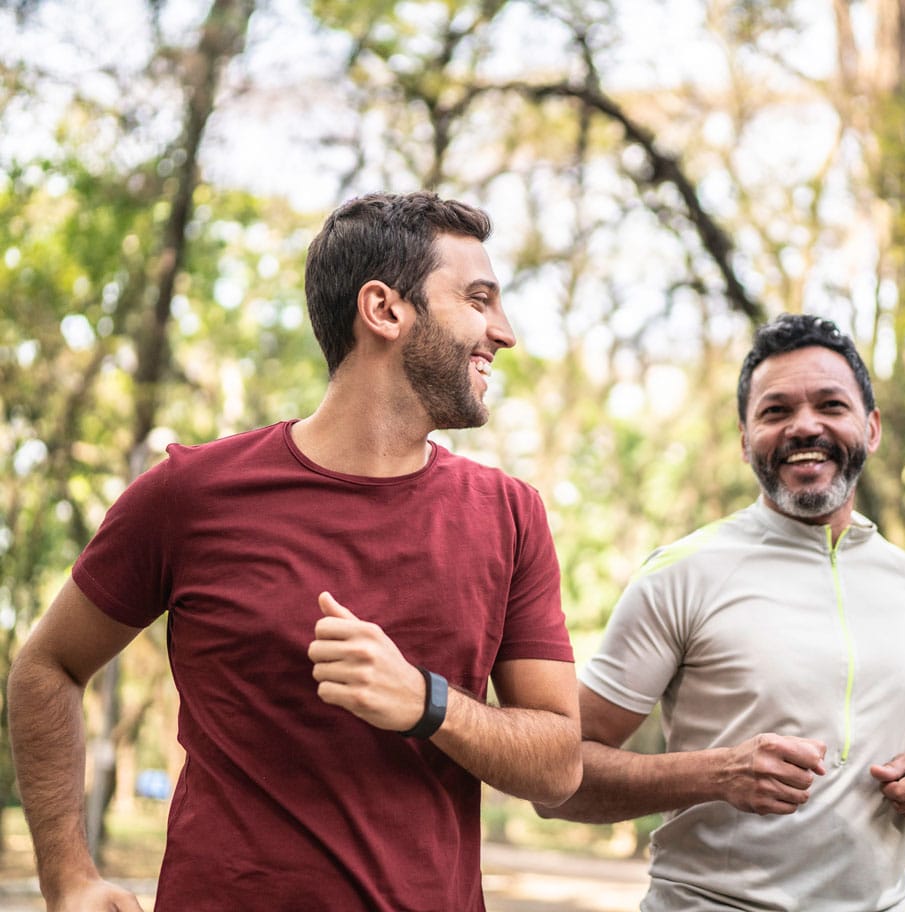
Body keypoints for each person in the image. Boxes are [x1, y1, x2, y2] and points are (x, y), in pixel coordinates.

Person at [9, 190, 582, 912]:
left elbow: (558, 763)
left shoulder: (510, 515)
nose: (503, 331)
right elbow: (47, 666)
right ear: (384, 310)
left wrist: (426, 702)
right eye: (478, 299)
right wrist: (68, 877)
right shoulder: (191, 493)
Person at [539, 313, 905, 911]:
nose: (805, 427)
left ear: (870, 428)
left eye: (831, 405)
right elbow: (555, 780)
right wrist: (715, 774)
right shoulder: (680, 573)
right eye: (775, 412)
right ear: (745, 439)